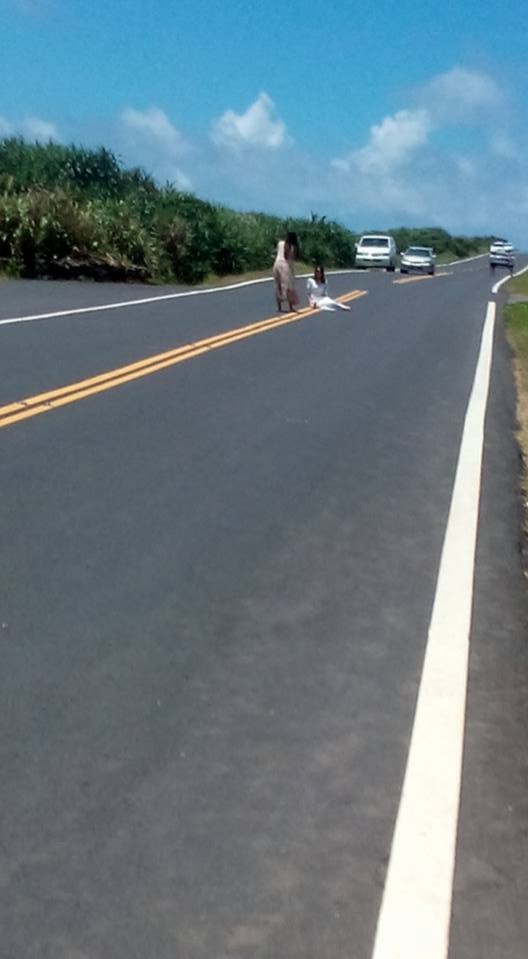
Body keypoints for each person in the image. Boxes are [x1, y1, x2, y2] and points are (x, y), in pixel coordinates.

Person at [273, 231, 299, 312]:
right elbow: (290, 258)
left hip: (276, 264)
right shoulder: (292, 247)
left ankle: (279, 307)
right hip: (285, 266)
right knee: (288, 287)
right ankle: (290, 307)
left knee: (278, 286)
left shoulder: (280, 243)